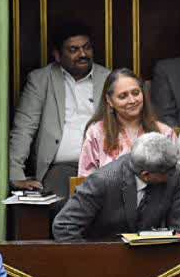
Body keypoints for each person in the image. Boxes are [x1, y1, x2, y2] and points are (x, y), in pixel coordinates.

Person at [9, 21, 111, 201]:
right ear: (57, 55)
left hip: (104, 164)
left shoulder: (109, 79)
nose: (83, 54)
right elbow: (24, 128)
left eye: (86, 47)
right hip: (61, 168)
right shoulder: (40, 80)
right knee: (61, 205)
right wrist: (16, 174)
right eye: (73, 50)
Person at [53, 132, 180, 241]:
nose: (174, 172)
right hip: (106, 256)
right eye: (168, 172)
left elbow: (178, 227)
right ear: (146, 175)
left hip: (152, 255)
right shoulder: (102, 182)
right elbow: (64, 226)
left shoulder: (174, 173)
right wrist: (90, 259)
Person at [78, 68, 176, 177]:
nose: (132, 100)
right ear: (109, 100)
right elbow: (85, 181)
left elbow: (176, 177)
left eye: (136, 93)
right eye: (123, 96)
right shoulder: (96, 133)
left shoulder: (164, 132)